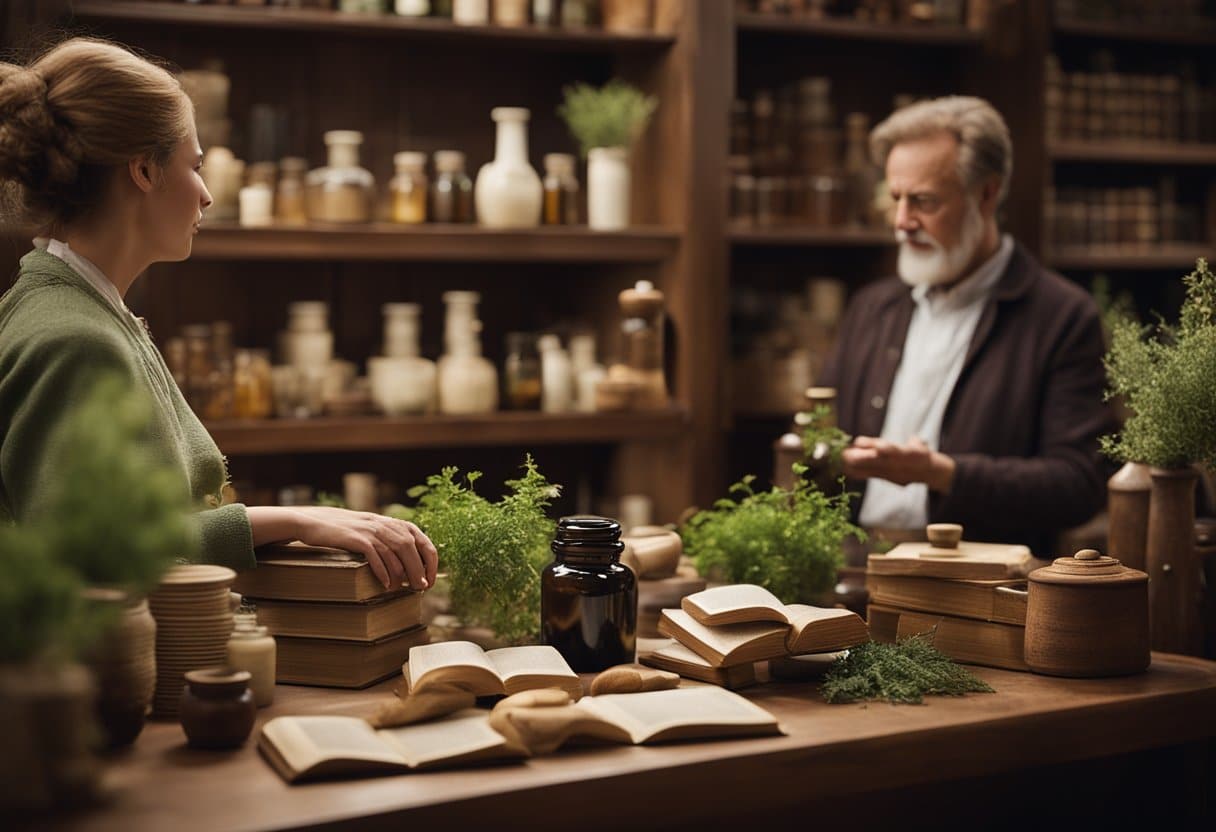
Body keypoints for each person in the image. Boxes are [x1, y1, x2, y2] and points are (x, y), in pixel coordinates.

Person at [0, 38, 437, 591]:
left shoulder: (83, 309)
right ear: (143, 171)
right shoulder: (73, 337)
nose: (206, 195)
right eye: (195, 165)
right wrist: (287, 520)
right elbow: (87, 560)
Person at [817, 96, 1113, 554]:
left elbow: (1079, 485)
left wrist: (944, 474)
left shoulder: (1063, 317)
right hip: (854, 572)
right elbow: (821, 445)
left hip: (982, 589)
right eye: (894, 198)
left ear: (987, 193)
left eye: (923, 202)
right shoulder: (871, 308)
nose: (901, 222)